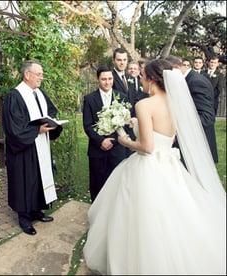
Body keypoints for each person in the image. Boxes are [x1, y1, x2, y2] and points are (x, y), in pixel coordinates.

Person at [83, 59, 226, 274]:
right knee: (173, 213)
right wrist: (136, 124)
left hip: (147, 166)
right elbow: (166, 133)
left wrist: (125, 141)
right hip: (169, 164)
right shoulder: (177, 103)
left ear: (151, 79)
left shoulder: (144, 104)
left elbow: (147, 147)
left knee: (141, 215)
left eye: (142, 75)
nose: (140, 79)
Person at [2, 60, 62, 236]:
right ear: (27, 75)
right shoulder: (15, 96)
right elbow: (14, 128)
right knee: (25, 181)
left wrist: (51, 123)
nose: (41, 77)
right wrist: (37, 129)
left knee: (38, 178)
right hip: (24, 149)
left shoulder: (39, 93)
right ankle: (24, 218)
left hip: (40, 144)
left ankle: (37, 211)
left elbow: (51, 111)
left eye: (42, 74)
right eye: (39, 74)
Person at [82, 66, 127, 201]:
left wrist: (112, 140)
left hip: (117, 149)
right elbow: (87, 125)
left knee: (117, 184)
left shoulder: (122, 97)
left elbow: (124, 123)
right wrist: (101, 141)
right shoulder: (89, 99)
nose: (107, 82)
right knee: (97, 184)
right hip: (97, 149)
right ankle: (96, 215)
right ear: (98, 80)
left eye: (109, 79)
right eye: (103, 79)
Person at [165, 55, 218, 163]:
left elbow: (207, 117)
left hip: (199, 146)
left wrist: (180, 128)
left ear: (176, 68)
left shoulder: (196, 82)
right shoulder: (188, 80)